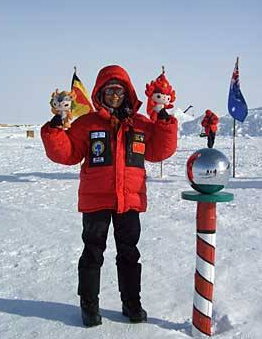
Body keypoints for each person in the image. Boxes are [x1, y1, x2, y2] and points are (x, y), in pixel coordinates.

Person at [41, 65, 178, 327]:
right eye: (109, 90)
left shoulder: (140, 124)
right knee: (93, 252)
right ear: (99, 93)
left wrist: (164, 123)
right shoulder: (87, 124)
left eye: (119, 90)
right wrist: (57, 126)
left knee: (129, 252)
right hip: (96, 200)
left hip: (130, 199)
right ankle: (89, 305)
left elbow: (160, 151)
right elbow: (67, 154)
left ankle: (131, 303)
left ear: (127, 93)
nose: (114, 95)